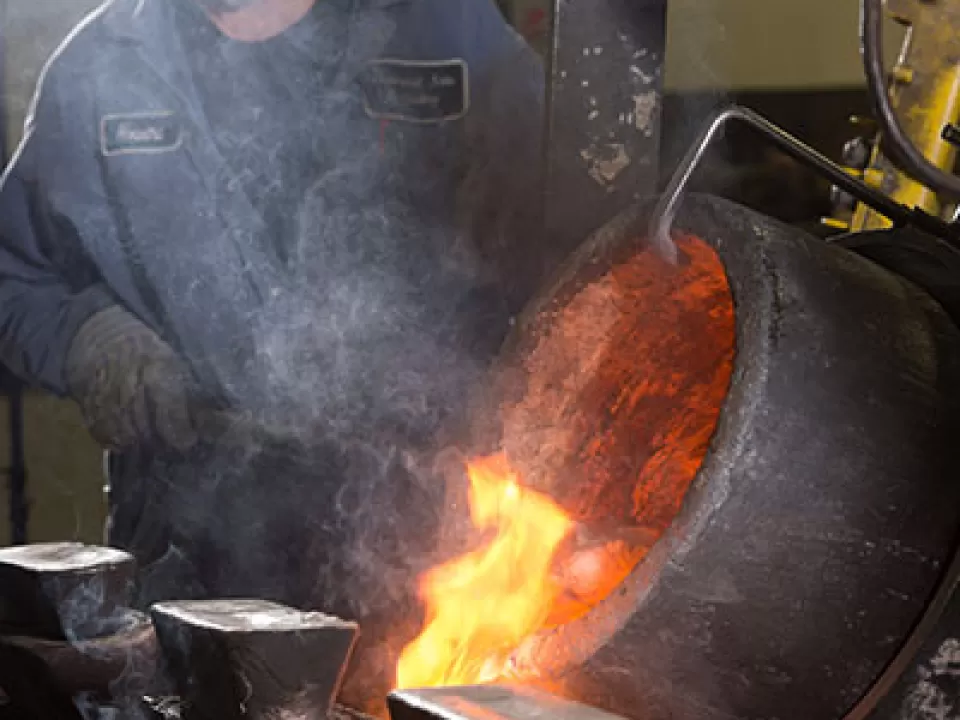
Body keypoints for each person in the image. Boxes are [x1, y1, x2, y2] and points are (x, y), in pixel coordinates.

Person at [0, 0, 547, 709]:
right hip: (193, 556)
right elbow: (13, 273)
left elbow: (568, 219)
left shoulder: (443, 29)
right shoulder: (103, 63)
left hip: (427, 548)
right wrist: (87, 335)